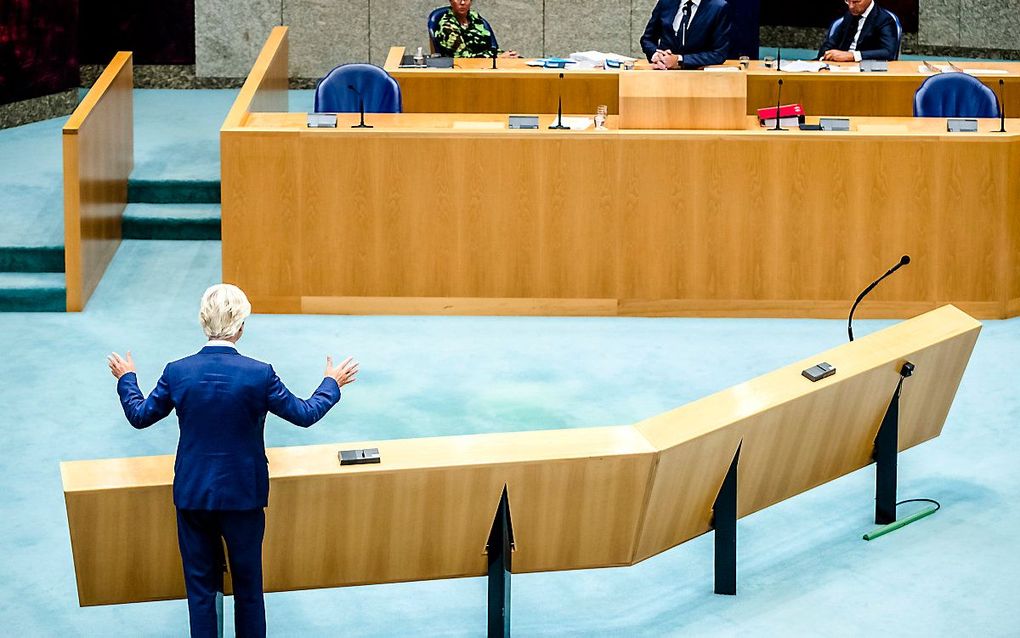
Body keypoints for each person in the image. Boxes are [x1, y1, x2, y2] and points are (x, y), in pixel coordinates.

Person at [106, 283, 359, 638]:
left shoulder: (177, 371)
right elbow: (304, 413)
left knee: (200, 593)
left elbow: (140, 414)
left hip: (193, 494)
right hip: (244, 496)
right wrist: (331, 383)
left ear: (202, 321)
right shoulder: (260, 373)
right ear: (241, 325)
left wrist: (126, 379)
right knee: (249, 591)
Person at [640, 0, 732, 70]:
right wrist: (656, 55)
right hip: (664, 73)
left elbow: (719, 54)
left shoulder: (718, 7)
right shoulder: (665, 2)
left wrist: (679, 60)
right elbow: (647, 39)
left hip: (699, 77)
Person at [431, 0, 519, 58]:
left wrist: (507, 56)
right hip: (463, 68)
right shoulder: (447, 26)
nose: (462, 2)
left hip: (486, 63)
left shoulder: (474, 17)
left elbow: (489, 46)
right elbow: (463, 57)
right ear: (450, 1)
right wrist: (497, 58)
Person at [818, 0, 899, 62]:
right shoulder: (848, 15)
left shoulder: (884, 19)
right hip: (840, 67)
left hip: (867, 69)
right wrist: (821, 58)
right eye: (848, 1)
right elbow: (830, 43)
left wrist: (852, 56)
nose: (851, 6)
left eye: (856, 1)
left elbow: (888, 52)